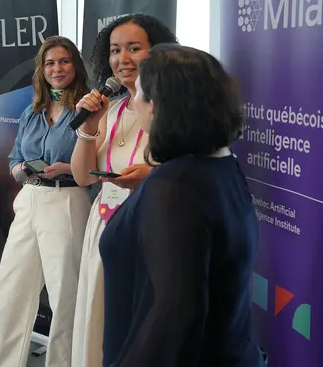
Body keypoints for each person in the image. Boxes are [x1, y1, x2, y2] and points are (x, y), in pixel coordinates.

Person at [100, 44, 266, 366]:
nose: (134, 100)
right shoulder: (222, 164)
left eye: (141, 93)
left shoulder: (175, 185)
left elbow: (175, 316)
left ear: (159, 106)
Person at [69, 14, 178, 367]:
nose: (123, 59)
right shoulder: (109, 109)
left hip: (153, 228)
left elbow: (191, 174)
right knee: (100, 316)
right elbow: (84, 177)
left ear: (158, 52)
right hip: (105, 224)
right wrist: (89, 125)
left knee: (140, 321)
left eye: (134, 48)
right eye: (116, 50)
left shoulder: (174, 111)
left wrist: (151, 176)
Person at [0, 37, 92, 367]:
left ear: (74, 65)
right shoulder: (32, 112)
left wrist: (70, 168)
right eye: (50, 63)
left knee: (65, 298)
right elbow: (15, 157)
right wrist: (19, 169)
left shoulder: (89, 110)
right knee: (10, 292)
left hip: (67, 200)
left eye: (63, 61)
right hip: (30, 199)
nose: (57, 68)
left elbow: (98, 164)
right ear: (41, 70)